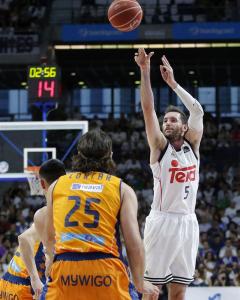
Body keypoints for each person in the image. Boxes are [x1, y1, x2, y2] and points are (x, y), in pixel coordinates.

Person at [41, 129, 159, 300]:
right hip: (106, 270)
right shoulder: (122, 189)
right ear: (110, 155)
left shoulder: (57, 185)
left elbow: (49, 237)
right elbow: (133, 243)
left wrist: (51, 262)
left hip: (66, 270)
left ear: (78, 155)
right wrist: (139, 281)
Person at [134, 48, 204, 300]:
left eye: (173, 120)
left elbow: (197, 111)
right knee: (151, 292)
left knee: (179, 292)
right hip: (162, 222)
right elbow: (147, 109)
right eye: (166, 120)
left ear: (184, 127)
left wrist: (173, 84)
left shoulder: (192, 145)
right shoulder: (160, 147)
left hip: (188, 222)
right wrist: (145, 71)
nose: (167, 123)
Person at [0, 159, 66, 300]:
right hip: (23, 284)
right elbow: (23, 238)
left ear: (42, 183)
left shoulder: (49, 210)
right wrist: (35, 279)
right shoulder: (51, 212)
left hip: (12, 280)